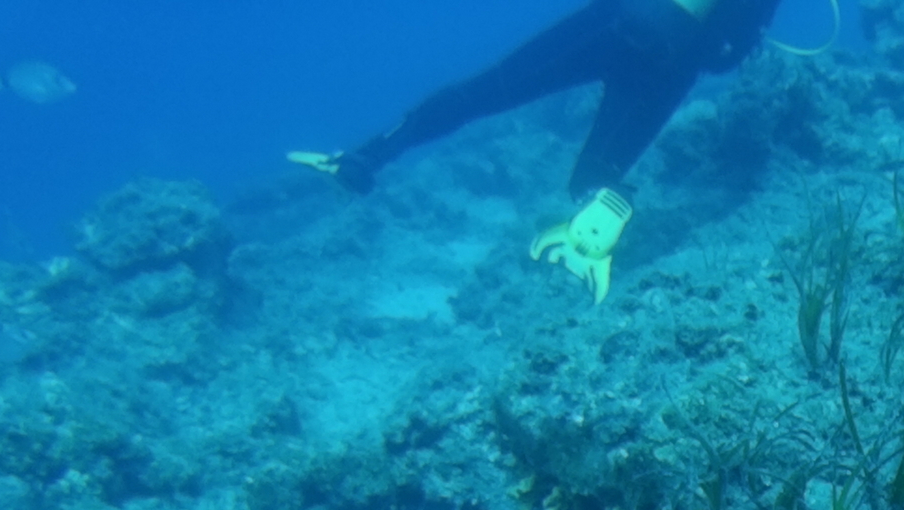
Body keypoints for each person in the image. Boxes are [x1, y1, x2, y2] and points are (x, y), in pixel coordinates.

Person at [291, 0, 829, 302]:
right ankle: (592, 236)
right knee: (594, 178)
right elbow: (724, 57)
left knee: (483, 92)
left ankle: (363, 160)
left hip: (614, 21)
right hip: (671, 63)